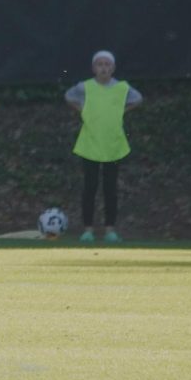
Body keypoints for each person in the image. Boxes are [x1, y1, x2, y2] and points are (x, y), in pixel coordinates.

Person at [64, 50, 142, 242]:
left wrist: (121, 111)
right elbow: (68, 96)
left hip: (113, 145)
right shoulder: (85, 87)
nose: (104, 68)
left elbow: (138, 99)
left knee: (110, 189)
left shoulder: (122, 88)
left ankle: (110, 230)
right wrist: (83, 110)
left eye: (107, 64)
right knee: (89, 188)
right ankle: (88, 230)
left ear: (113, 68)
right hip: (90, 144)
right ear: (94, 68)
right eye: (100, 64)